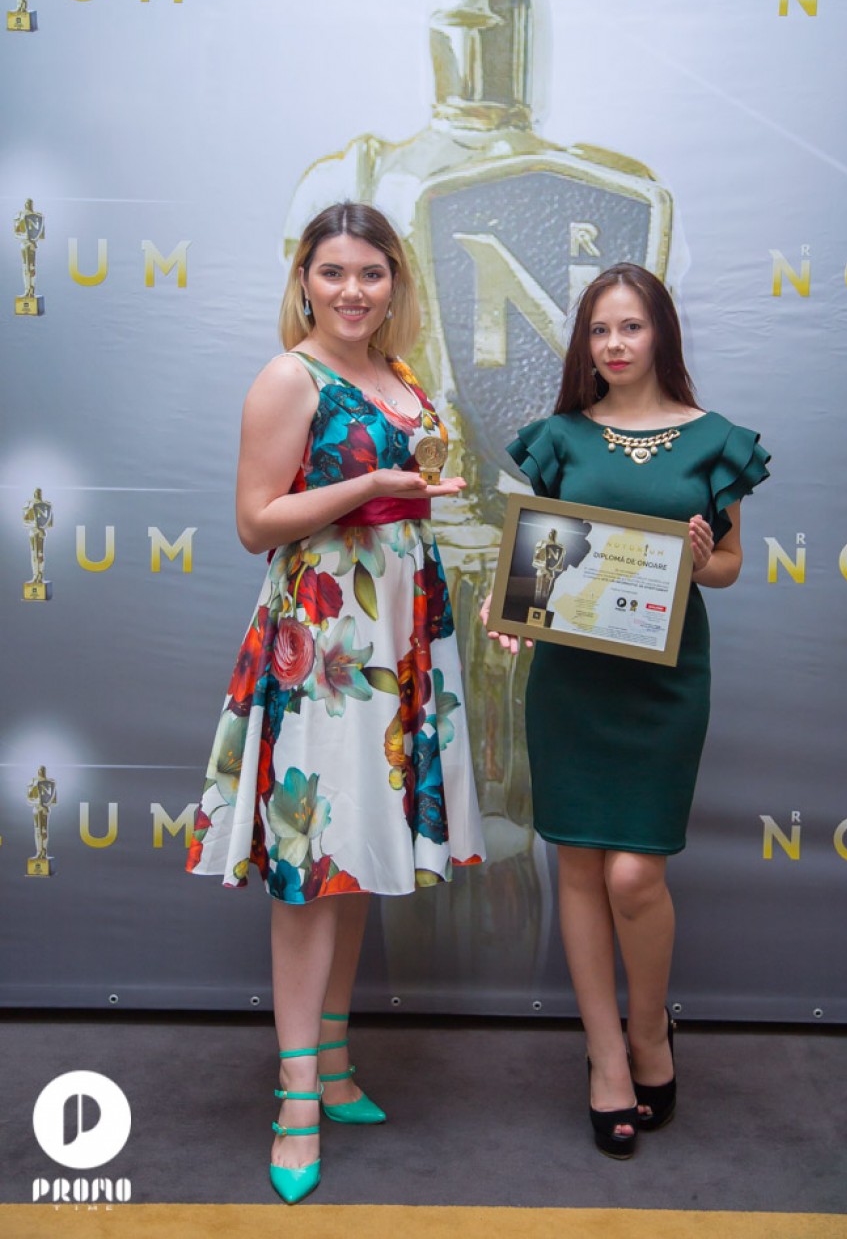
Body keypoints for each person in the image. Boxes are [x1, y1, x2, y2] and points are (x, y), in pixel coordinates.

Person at [188, 201, 485, 1203]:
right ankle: (296, 1103)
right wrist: (367, 491)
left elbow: (409, 494)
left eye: (371, 272)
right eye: (333, 272)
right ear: (305, 282)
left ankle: (337, 1063)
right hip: (323, 644)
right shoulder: (291, 378)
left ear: (395, 282)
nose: (353, 290)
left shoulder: (401, 376)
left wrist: (409, 498)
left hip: (398, 636)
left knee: (351, 854)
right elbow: (255, 521)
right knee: (309, 863)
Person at [482, 263, 769, 1159]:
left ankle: (650, 1032)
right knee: (578, 867)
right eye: (600, 330)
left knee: (635, 876)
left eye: (631, 327)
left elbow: (730, 566)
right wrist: (513, 610)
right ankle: (606, 1055)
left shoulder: (715, 440)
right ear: (585, 342)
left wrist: (700, 557)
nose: (614, 344)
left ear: (661, 335)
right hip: (573, 681)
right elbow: (539, 560)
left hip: (664, 681)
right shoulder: (561, 437)